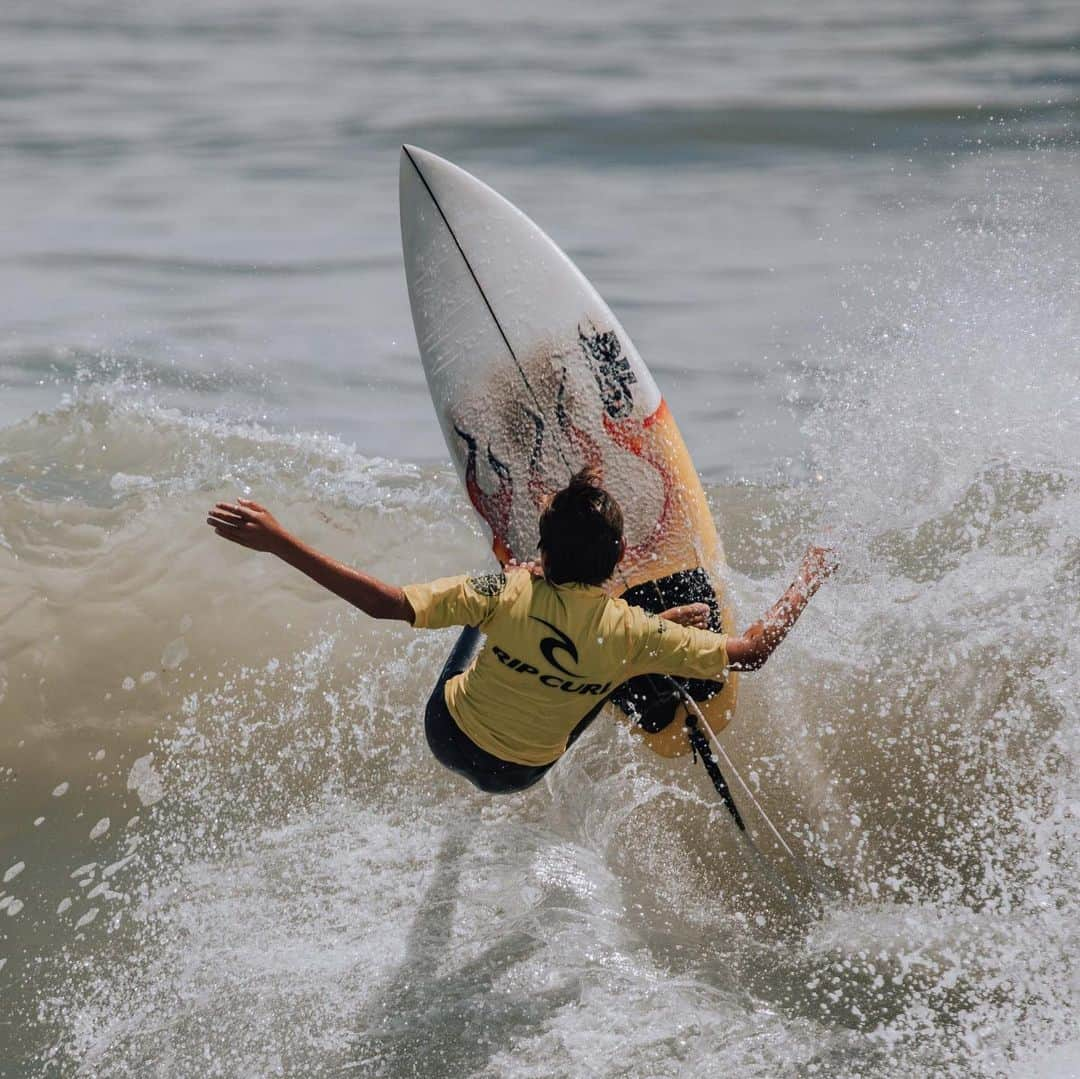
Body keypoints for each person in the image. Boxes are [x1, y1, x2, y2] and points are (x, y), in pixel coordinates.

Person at [207, 469, 836, 794]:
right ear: (619, 558)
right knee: (613, 657)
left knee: (494, 602)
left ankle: (564, 606)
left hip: (448, 736)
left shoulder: (508, 591)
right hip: (525, 773)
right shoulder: (626, 630)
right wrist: (809, 573)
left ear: (544, 552)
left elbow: (386, 604)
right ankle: (633, 655)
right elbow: (753, 652)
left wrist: (278, 541)